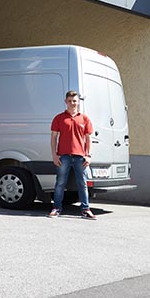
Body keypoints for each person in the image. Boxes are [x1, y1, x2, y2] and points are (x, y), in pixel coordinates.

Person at [49, 90, 96, 219]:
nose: (72, 103)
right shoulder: (59, 118)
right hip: (63, 156)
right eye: (69, 101)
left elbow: (88, 138)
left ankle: (86, 210)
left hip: (80, 157)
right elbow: (53, 137)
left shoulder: (84, 118)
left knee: (82, 183)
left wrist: (88, 155)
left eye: (74, 101)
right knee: (60, 183)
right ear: (66, 102)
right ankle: (56, 208)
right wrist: (54, 155)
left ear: (78, 102)